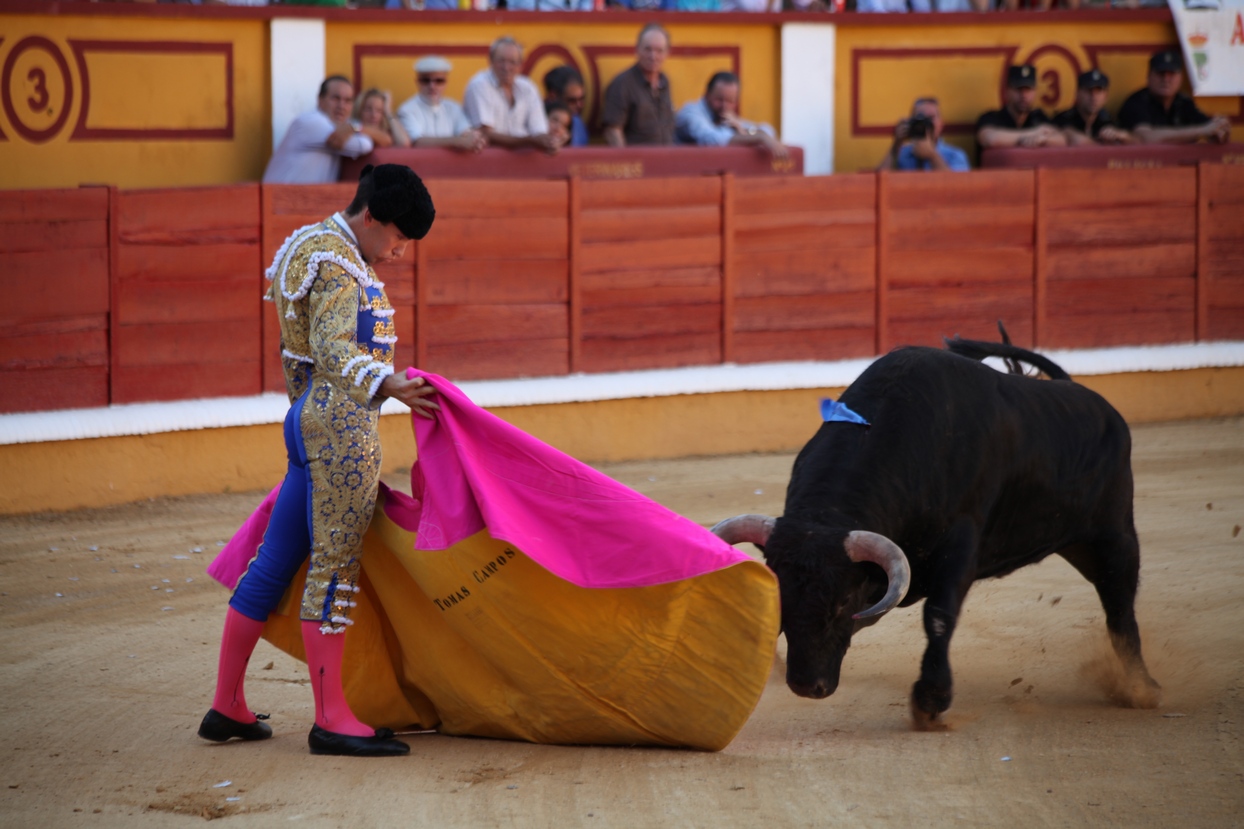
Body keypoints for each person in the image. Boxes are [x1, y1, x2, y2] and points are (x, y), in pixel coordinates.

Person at [198, 164, 440, 757]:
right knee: (334, 568)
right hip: (342, 429)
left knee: (274, 563)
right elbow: (335, 349)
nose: (400, 252)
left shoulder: (312, 243)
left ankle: (226, 703)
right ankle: (331, 717)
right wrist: (387, 384)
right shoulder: (338, 264)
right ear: (373, 217)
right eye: (398, 238)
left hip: (307, 420)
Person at [263, 76, 374, 184]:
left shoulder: (342, 125)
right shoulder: (310, 122)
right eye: (335, 98)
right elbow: (364, 145)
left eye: (348, 101)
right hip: (277, 201)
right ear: (320, 100)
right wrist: (353, 128)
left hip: (297, 199)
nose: (341, 106)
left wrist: (352, 128)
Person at [463, 37, 559, 155]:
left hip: (524, 161)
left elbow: (538, 130)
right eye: (501, 61)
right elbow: (485, 133)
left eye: (512, 62)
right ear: (490, 61)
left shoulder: (528, 88)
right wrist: (530, 141)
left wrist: (550, 142)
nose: (506, 67)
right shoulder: (479, 85)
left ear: (520, 65)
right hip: (489, 160)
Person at [1116, 50, 1230, 144]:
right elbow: (1146, 138)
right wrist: (1201, 131)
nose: (1166, 79)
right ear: (1149, 76)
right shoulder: (1136, 102)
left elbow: (1210, 129)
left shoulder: (1183, 102)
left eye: (1172, 74)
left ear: (1181, 78)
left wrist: (1219, 127)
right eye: (1161, 73)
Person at [675, 71, 789, 161]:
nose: (724, 106)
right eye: (719, 99)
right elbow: (712, 139)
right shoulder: (691, 113)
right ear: (707, 95)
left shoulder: (727, 117)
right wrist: (759, 137)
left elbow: (766, 129)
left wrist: (744, 131)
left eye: (730, 101)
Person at [602, 23, 676, 147]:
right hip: (638, 162)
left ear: (667, 53)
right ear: (637, 49)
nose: (653, 56)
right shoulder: (622, 84)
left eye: (659, 51)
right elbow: (612, 131)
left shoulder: (664, 81)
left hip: (666, 160)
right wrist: (626, 162)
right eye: (648, 49)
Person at [395, 56, 487, 152]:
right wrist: (457, 141)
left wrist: (474, 139)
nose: (432, 86)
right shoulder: (407, 109)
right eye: (426, 81)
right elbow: (418, 141)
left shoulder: (453, 107)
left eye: (439, 81)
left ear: (446, 83)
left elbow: (465, 131)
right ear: (417, 82)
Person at [975, 64, 1067, 153]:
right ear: (1007, 91)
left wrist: (1043, 139)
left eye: (1028, 89)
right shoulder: (993, 117)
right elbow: (990, 139)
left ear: (1035, 91)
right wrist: (1033, 133)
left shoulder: (1038, 117)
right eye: (1018, 89)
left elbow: (1062, 140)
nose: (1024, 95)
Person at [877, 97, 970, 171]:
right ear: (911, 122)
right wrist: (896, 145)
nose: (925, 124)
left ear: (941, 124)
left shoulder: (955, 155)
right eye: (920, 118)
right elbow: (878, 183)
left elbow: (956, 188)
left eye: (930, 118)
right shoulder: (902, 153)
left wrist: (933, 156)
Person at [1053, 69, 1134, 146]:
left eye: (1099, 91)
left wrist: (1123, 136)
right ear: (1077, 94)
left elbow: (1137, 143)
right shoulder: (1065, 119)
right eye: (1088, 91)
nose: (1093, 97)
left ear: (1106, 96)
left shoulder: (1108, 120)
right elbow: (1077, 140)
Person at [543, 65, 589, 147]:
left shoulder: (578, 123)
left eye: (582, 99)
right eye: (572, 100)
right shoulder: (533, 118)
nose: (580, 105)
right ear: (553, 96)